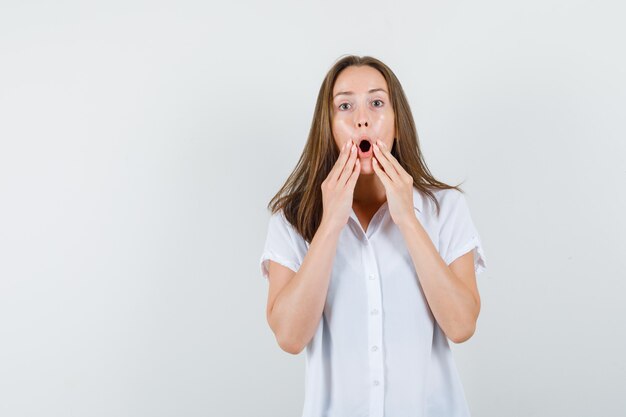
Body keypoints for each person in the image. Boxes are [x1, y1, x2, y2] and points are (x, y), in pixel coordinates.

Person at [259, 55, 488, 417]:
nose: (361, 118)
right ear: (329, 127)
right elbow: (289, 337)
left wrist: (408, 221)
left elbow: (461, 326)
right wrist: (331, 222)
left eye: (377, 102)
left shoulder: (445, 209)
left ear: (397, 124)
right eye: (345, 105)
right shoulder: (291, 220)